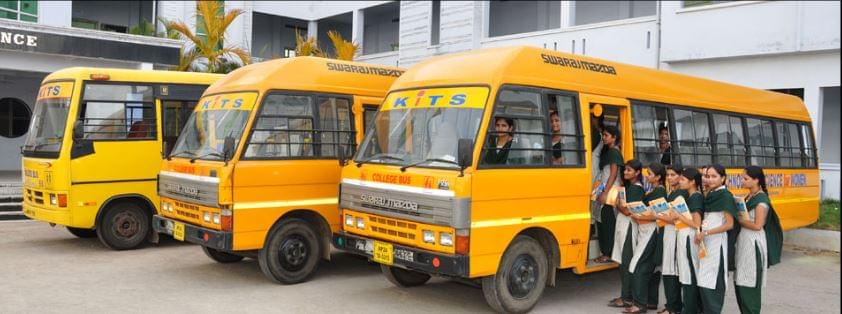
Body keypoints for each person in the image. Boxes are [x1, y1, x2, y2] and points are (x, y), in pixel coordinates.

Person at [734, 166, 783, 314]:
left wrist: (737, 219)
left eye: (745, 178)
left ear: (756, 180)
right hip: (744, 241)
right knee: (741, 281)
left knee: (750, 282)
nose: (742, 181)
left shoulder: (761, 201)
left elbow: (757, 225)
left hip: (753, 243)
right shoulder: (749, 197)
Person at [624, 162, 667, 314]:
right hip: (646, 230)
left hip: (651, 232)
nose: (646, 176)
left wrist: (640, 215)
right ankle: (651, 301)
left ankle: (640, 304)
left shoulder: (660, 193)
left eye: (649, 174)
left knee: (637, 266)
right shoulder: (655, 191)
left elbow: (661, 216)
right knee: (651, 268)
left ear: (658, 177)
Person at [694, 164, 737, 314]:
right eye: (707, 176)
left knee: (712, 281)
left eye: (714, 176)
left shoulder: (725, 196)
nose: (709, 180)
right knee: (703, 280)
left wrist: (706, 233)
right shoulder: (710, 194)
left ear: (723, 178)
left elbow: (729, 224)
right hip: (706, 242)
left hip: (716, 243)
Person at [608, 158, 644, 309]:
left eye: (629, 170)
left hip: (629, 226)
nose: (625, 172)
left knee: (626, 262)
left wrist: (617, 204)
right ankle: (625, 295)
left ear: (637, 173)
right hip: (623, 225)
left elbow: (629, 211)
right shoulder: (628, 187)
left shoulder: (636, 188)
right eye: (625, 169)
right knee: (622, 262)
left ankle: (627, 298)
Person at [656, 166, 689, 314]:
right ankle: (671, 305)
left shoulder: (681, 194)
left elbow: (676, 218)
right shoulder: (673, 192)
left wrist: (658, 215)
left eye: (673, 175)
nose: (669, 178)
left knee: (673, 271)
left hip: (676, 234)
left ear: (681, 177)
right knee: (669, 270)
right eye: (668, 175)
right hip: (669, 234)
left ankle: (673, 307)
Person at [675, 167, 704, 314]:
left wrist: (678, 216)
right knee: (687, 274)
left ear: (692, 182)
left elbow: (697, 224)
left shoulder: (696, 197)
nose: (680, 181)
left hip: (690, 239)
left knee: (690, 274)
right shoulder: (691, 196)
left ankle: (691, 309)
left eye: (683, 179)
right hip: (686, 237)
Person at [595, 125, 624, 264]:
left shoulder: (614, 152)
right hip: (606, 187)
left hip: (611, 189)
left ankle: (608, 254)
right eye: (603, 135)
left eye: (606, 135)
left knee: (607, 222)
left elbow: (613, 174)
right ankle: (608, 252)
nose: (604, 138)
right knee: (603, 220)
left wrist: (605, 192)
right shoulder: (609, 151)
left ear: (614, 137)